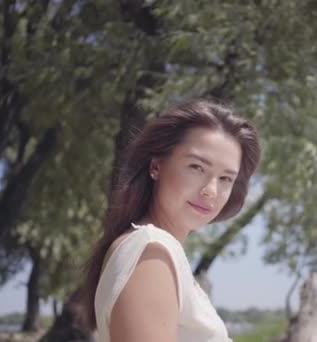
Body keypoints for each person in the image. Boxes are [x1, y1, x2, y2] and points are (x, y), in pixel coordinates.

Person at [79, 98, 261, 342]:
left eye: (226, 178)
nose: (211, 190)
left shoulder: (154, 251)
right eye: (196, 167)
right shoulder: (151, 252)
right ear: (156, 166)